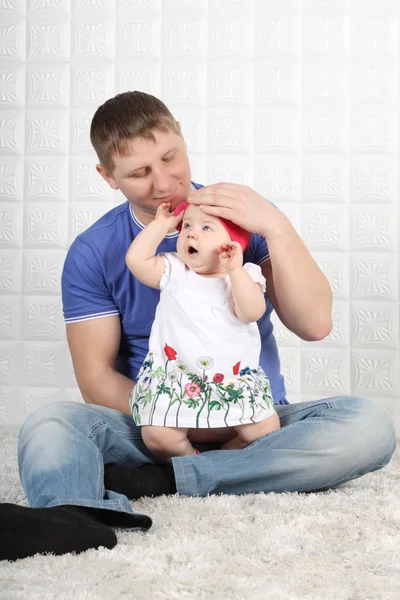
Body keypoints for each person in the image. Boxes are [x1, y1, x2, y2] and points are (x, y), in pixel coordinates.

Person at [0, 91, 395, 563]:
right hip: (153, 421)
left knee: (368, 426)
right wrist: (177, 411)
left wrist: (278, 227)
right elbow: (96, 378)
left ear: (183, 141)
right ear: (108, 177)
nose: (164, 181)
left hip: (251, 420)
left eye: (171, 158)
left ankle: (163, 482)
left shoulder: (241, 222)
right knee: (49, 424)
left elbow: (314, 324)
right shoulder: (93, 251)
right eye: (140, 172)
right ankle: (69, 518)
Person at [126, 200, 280, 460]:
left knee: (266, 430)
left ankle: (223, 459)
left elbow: (251, 312)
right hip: (177, 380)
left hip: (232, 383)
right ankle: (192, 463)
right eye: (186, 225)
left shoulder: (245, 275)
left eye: (206, 228)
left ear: (233, 244)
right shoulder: (173, 270)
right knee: (158, 436)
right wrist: (160, 226)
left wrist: (234, 270)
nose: (191, 233)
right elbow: (136, 259)